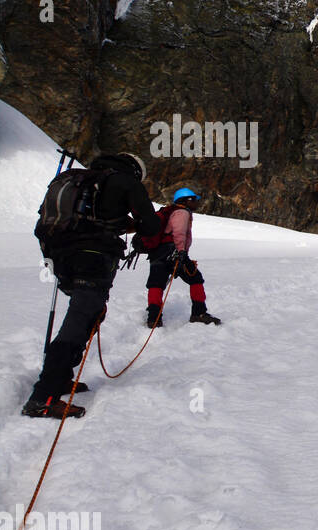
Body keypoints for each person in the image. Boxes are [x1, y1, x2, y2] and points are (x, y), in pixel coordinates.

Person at [23, 152, 162, 418]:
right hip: (93, 257)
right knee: (81, 318)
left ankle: (60, 377)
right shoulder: (125, 182)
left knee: (86, 314)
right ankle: (43, 397)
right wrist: (134, 227)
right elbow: (152, 226)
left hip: (58, 254)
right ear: (135, 171)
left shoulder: (74, 178)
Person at [144, 187, 221, 327]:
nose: (197, 202)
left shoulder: (171, 212)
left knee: (156, 283)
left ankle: (153, 318)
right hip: (173, 252)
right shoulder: (182, 212)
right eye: (194, 200)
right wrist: (181, 252)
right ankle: (199, 313)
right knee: (195, 277)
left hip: (158, 253)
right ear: (187, 200)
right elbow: (179, 232)